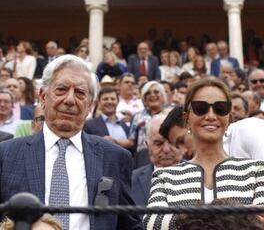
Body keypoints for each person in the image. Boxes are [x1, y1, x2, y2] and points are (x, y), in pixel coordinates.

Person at [0, 55, 142, 230]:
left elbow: (129, 225)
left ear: (90, 105)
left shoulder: (115, 157)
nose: (69, 100)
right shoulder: (6, 154)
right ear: (43, 96)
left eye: (80, 93)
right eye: (61, 89)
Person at [144, 78, 264, 230]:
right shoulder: (164, 176)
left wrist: (184, 217)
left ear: (229, 118)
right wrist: (240, 215)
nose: (211, 116)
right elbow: (153, 224)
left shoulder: (257, 170)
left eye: (220, 108)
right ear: (187, 118)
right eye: (201, 108)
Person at [131, 113, 182, 206]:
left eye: (172, 142)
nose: (166, 149)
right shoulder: (131, 182)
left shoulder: (202, 177)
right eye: (158, 143)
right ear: (147, 145)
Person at [84, 86, 135, 152]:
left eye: (112, 99)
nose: (109, 102)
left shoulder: (126, 126)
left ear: (118, 101)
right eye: (105, 99)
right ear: (99, 103)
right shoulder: (89, 125)